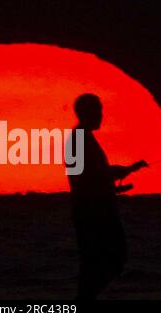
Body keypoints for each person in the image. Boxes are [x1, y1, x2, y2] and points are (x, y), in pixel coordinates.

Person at [66, 93, 147, 299]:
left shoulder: (82, 138)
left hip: (95, 210)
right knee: (110, 260)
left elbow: (94, 175)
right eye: (99, 111)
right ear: (88, 113)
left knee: (99, 264)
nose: (102, 116)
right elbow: (85, 177)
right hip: (93, 214)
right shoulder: (79, 139)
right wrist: (121, 172)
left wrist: (119, 178)